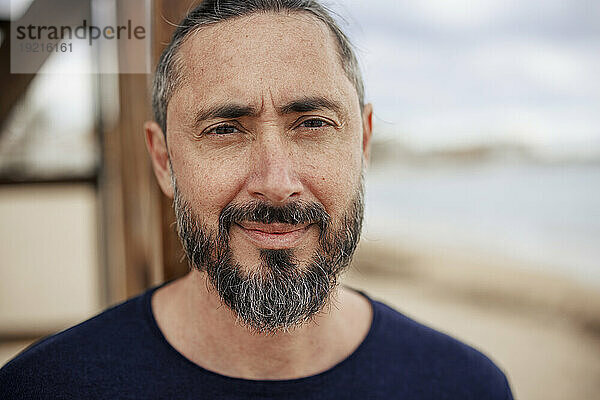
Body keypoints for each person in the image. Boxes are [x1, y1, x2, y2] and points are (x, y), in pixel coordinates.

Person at [0, 1, 513, 398]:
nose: (275, 180)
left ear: (362, 143)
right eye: (225, 129)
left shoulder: (465, 387)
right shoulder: (44, 388)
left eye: (312, 124)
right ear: (164, 161)